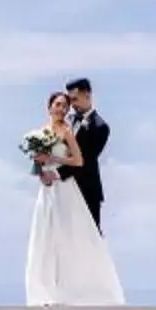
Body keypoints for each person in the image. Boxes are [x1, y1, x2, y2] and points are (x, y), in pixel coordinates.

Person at [25, 89, 125, 308]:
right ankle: (47, 289)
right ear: (49, 106)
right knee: (46, 235)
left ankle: (77, 289)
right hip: (48, 189)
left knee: (69, 234)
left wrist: (51, 159)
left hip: (65, 187)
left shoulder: (68, 131)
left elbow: (79, 161)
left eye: (65, 105)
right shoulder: (40, 133)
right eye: (58, 104)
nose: (62, 109)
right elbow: (36, 164)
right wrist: (42, 172)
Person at [64, 78, 109, 229]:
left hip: (87, 190)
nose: (72, 104)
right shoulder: (67, 121)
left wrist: (57, 174)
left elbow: (86, 160)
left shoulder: (100, 126)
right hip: (64, 190)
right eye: (70, 100)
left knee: (89, 238)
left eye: (75, 99)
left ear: (87, 95)